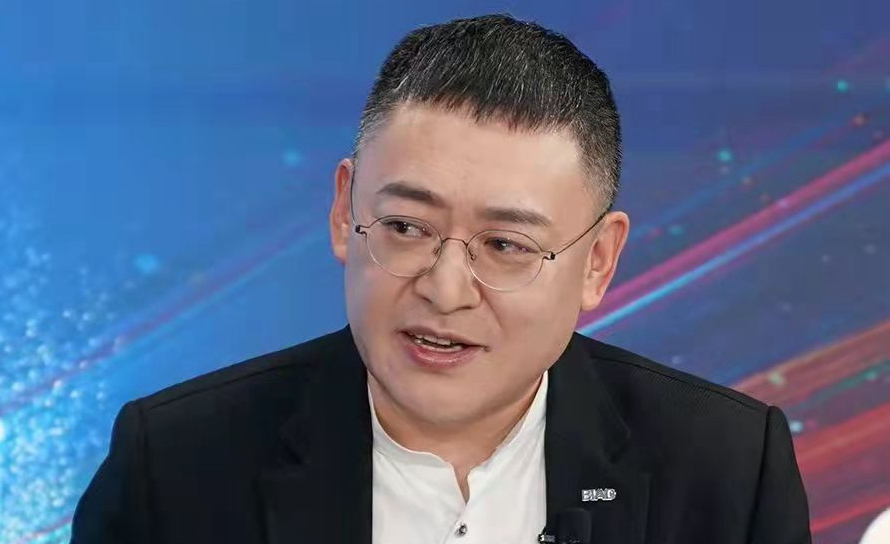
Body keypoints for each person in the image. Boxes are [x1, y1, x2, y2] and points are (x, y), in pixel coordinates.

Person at [71, 13, 811, 544]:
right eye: (406, 228)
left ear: (597, 262)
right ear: (344, 212)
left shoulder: (724, 471)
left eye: (505, 245)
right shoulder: (174, 467)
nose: (446, 290)